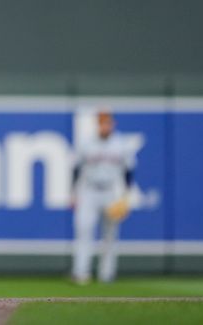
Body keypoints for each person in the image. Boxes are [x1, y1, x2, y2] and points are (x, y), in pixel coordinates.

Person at [70, 110, 137, 284]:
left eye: (107, 122)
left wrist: (126, 196)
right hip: (88, 190)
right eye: (101, 122)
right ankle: (81, 272)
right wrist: (73, 194)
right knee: (84, 231)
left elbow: (128, 171)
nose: (105, 125)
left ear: (112, 124)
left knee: (110, 235)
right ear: (97, 124)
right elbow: (76, 169)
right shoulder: (86, 143)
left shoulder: (121, 144)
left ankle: (107, 274)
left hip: (111, 191)